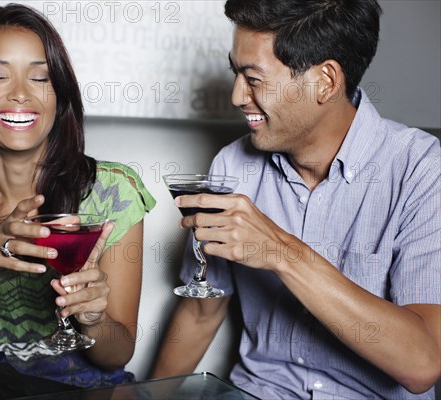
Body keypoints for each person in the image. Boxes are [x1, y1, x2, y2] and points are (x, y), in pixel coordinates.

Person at [151, 0, 440, 398]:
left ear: (325, 81)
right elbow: (202, 312)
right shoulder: (232, 166)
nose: (237, 95)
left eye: (253, 78)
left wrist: (281, 252)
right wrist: (147, 394)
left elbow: (423, 364)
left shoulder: (421, 170)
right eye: (235, 72)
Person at [0, 3, 155, 394]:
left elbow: (116, 354)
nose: (20, 94)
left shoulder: (113, 192)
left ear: (58, 96)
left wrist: (92, 318)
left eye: (40, 78)